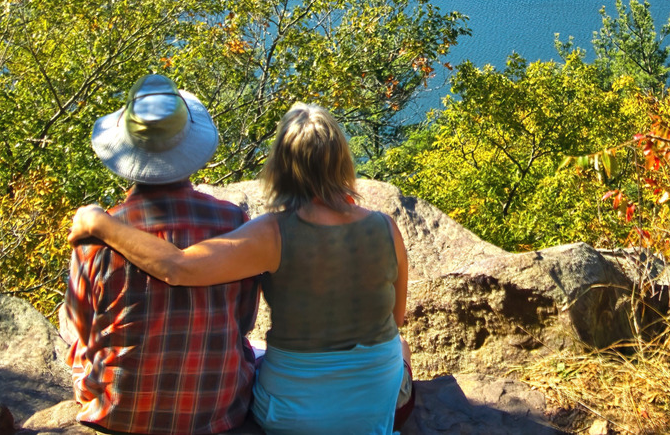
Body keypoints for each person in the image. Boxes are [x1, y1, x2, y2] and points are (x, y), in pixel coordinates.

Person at [71, 102, 413, 435]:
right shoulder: (387, 227)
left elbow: (177, 267)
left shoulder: (272, 233)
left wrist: (100, 223)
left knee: (261, 357)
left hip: (290, 415)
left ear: (281, 165)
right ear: (342, 160)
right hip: (375, 410)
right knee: (400, 346)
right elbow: (395, 320)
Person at [61, 74, 260, 435]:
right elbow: (244, 320)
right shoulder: (234, 222)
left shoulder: (94, 237)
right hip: (217, 410)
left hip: (118, 412)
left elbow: (78, 328)